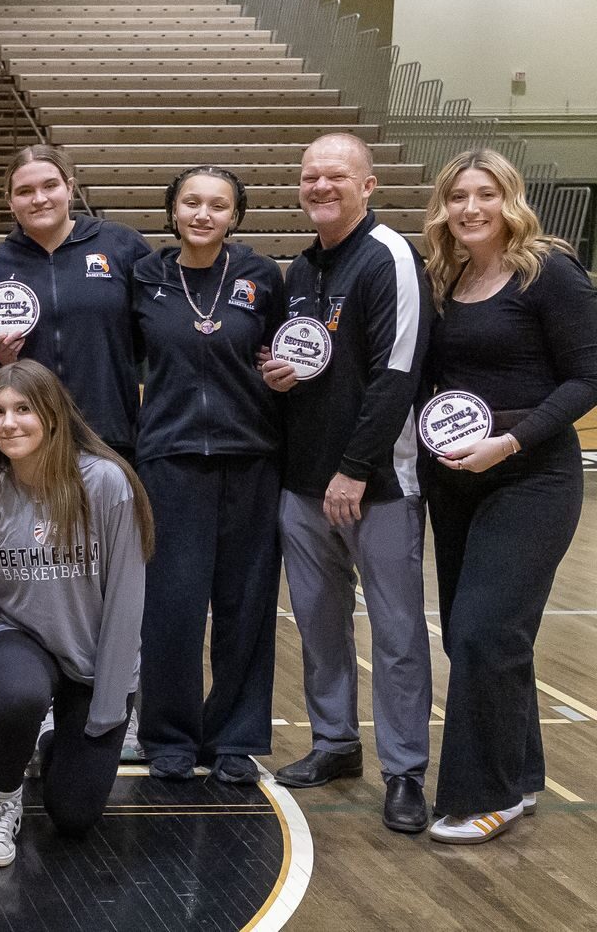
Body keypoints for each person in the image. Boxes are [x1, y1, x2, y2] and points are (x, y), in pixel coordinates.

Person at [417, 149, 597, 844]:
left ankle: (480, 796)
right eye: (457, 195)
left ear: (510, 200)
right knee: (487, 642)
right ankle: (520, 778)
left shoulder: (549, 272)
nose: (470, 208)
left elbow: (585, 380)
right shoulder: (448, 274)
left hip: (533, 478)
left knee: (483, 631)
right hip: (459, 482)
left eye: (485, 194)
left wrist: (510, 443)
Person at [261, 132, 433, 833]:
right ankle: (335, 743)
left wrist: (354, 469)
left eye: (336, 176)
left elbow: (397, 373)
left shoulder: (390, 255)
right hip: (302, 484)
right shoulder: (301, 270)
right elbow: (311, 368)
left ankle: (406, 770)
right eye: (310, 177)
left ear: (368, 184)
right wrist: (275, 377)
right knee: (319, 624)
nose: (320, 187)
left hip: (376, 483)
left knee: (395, 631)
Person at [0, 360, 152, 868]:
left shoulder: (105, 484)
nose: (8, 423)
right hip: (20, 639)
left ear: (53, 416)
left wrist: (109, 708)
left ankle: (54, 741)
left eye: (23, 409)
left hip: (92, 657)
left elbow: (127, 598)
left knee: (75, 817)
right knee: (20, 697)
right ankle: (3, 800)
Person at [129, 166, 284, 784]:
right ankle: (168, 735)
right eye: (191, 202)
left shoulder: (260, 277)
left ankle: (235, 739)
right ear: (172, 211)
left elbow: (285, 354)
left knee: (246, 604)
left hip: (250, 458)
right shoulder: (146, 277)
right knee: (172, 605)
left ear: (235, 217)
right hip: (168, 460)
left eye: (218, 205)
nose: (203, 214)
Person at [0, 145, 152, 462]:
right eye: (25, 191)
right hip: (28, 442)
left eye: (50, 186)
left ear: (69, 188)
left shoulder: (122, 245)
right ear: (10, 201)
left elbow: (150, 334)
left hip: (110, 434)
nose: (39, 199)